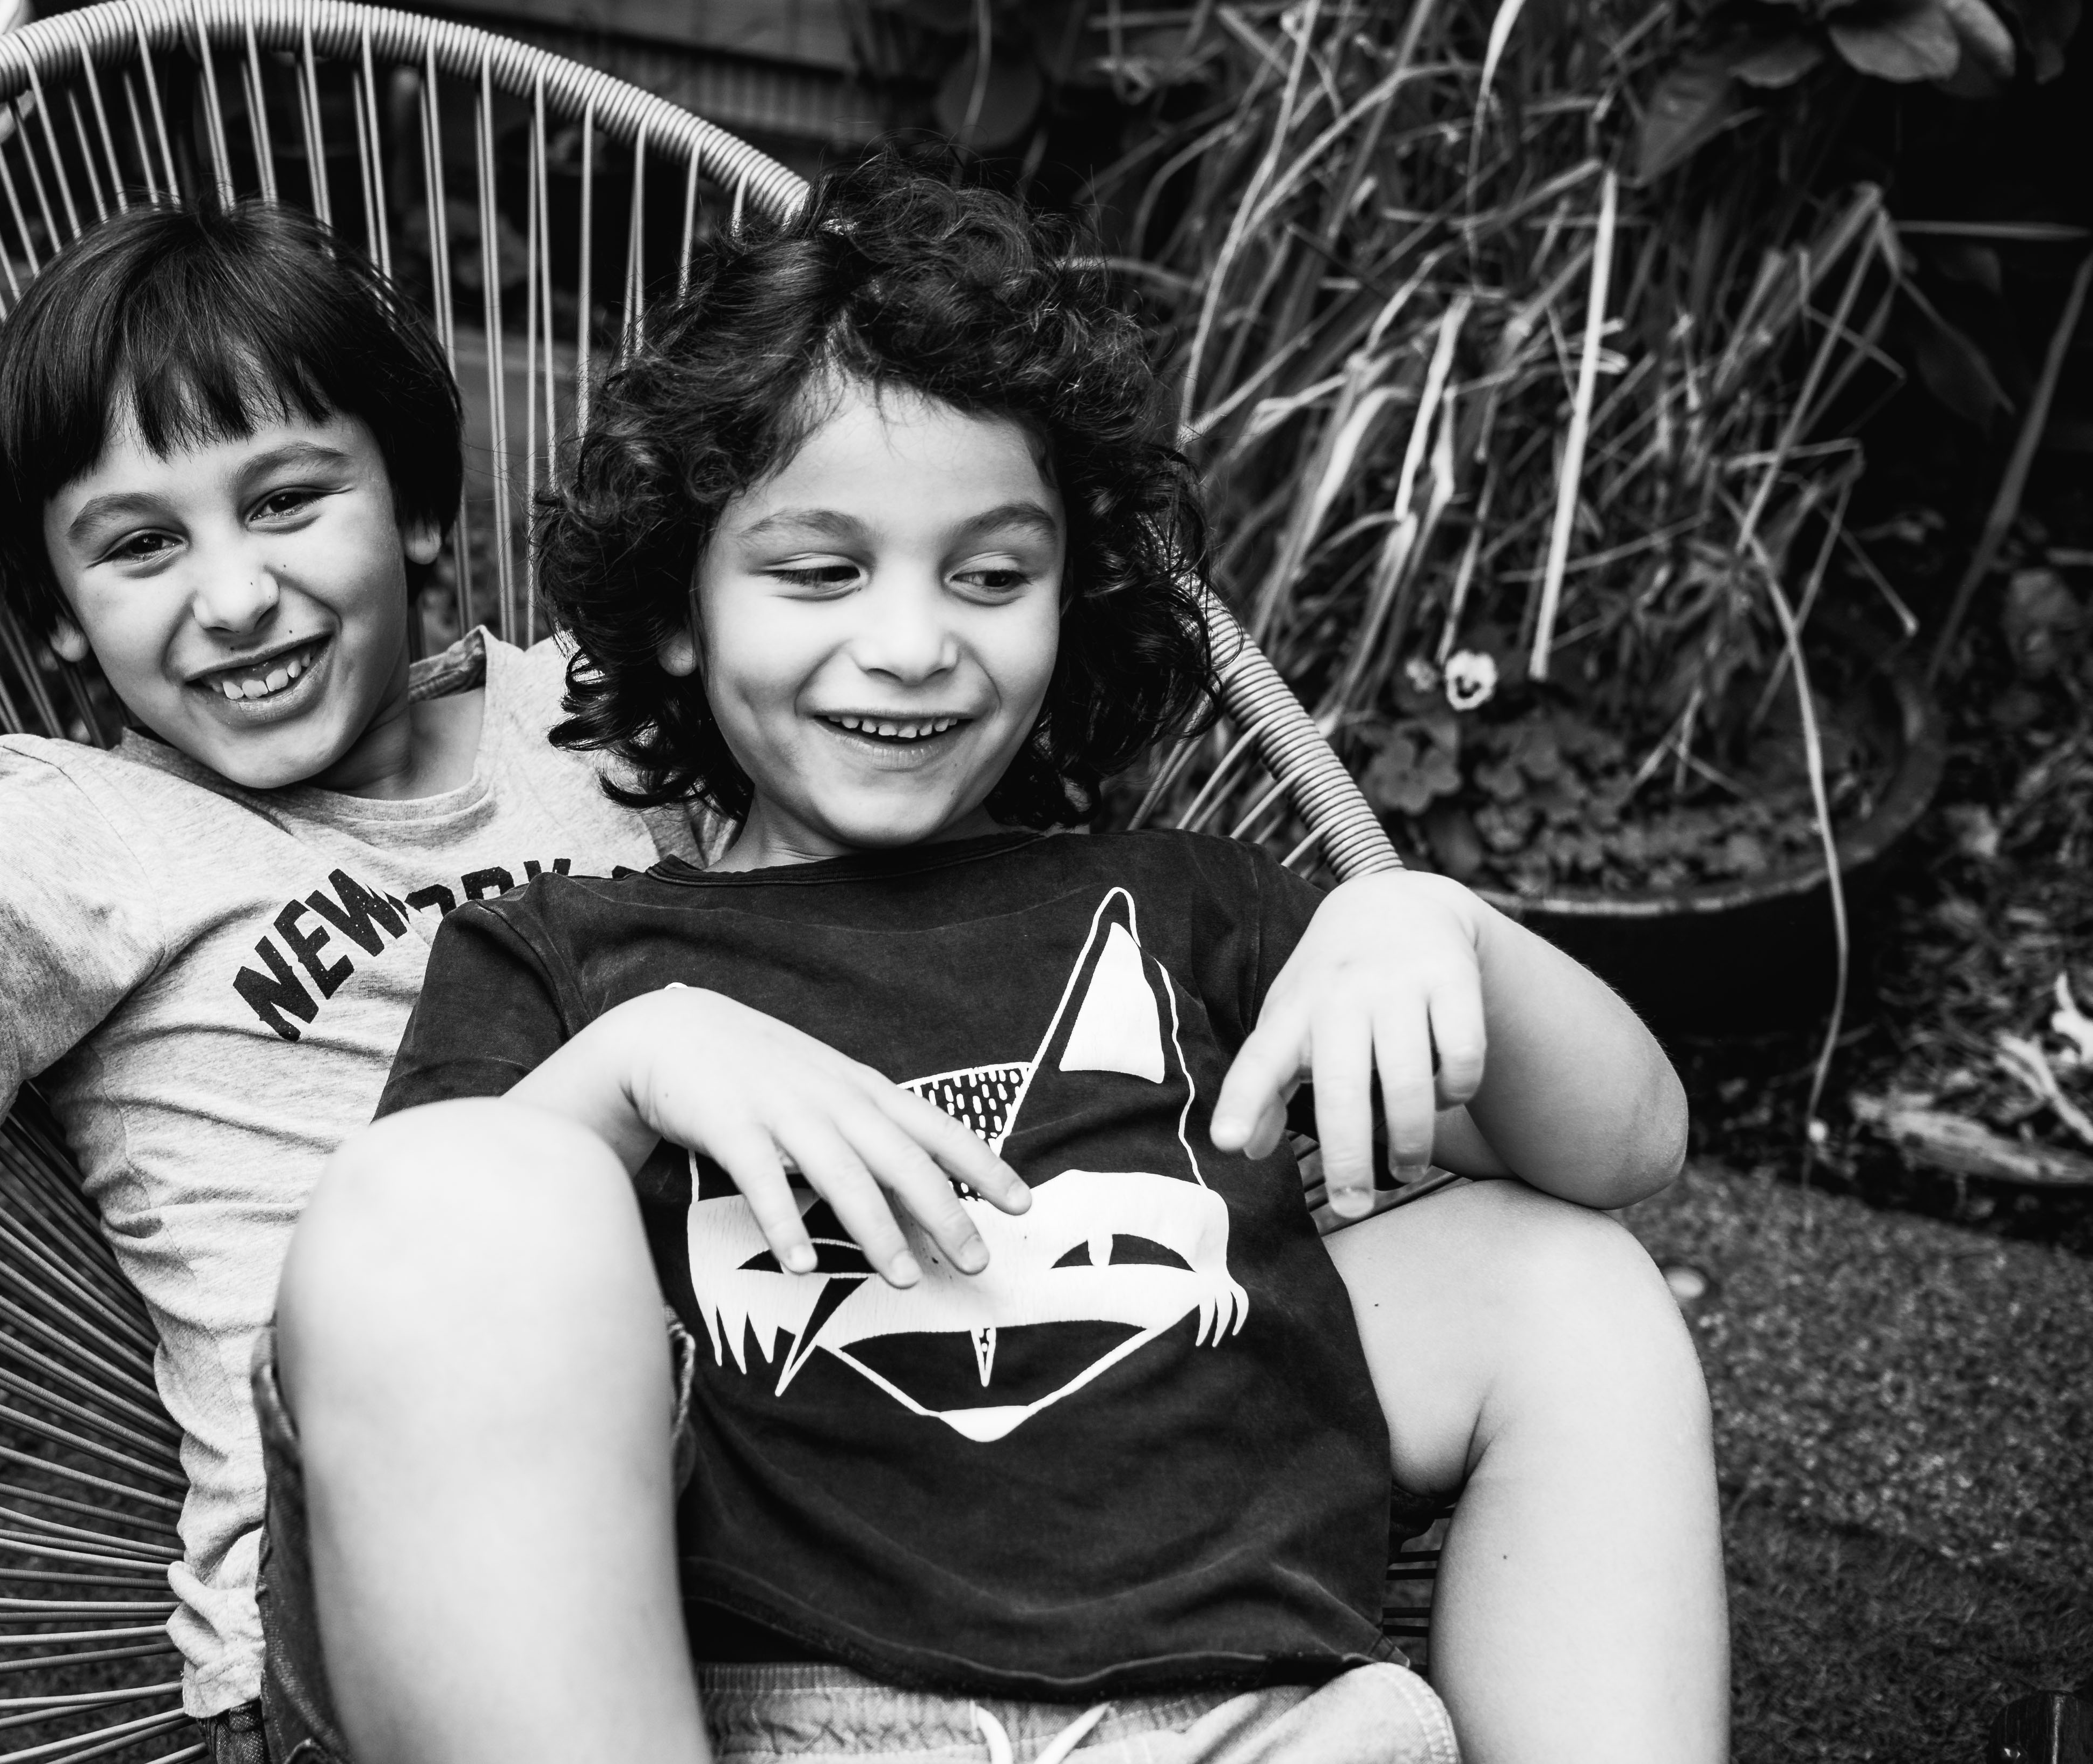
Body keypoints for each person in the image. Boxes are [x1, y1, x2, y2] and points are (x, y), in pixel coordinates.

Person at [272, 161, 1732, 1764]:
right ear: (682, 611)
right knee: (438, 1190)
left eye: (989, 573)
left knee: (1575, 1282)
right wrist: (627, 1074)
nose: (913, 641)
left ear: (1071, 599)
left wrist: (1432, 922)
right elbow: (418, 1315)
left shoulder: (1191, 910)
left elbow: (1628, 1148)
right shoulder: (581, 958)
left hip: (1241, 1716)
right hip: (783, 1707)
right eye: (819, 569)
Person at [0, 93, 725, 1747]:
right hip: (402, 1601)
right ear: (60, 618)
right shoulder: (83, 827)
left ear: (415, 506)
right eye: (138, 546)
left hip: (806, 1509)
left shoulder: (615, 724)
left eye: (285, 499)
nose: (235, 594)